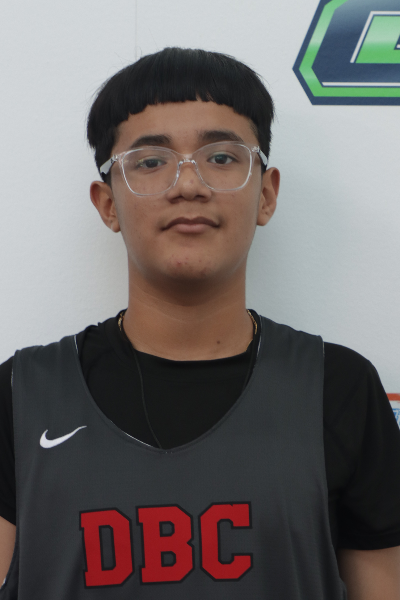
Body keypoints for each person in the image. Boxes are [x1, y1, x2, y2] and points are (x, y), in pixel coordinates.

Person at [0, 47, 399, 599]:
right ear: (107, 204)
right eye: (150, 162)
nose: (188, 184)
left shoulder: (339, 388)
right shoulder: (22, 395)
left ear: (266, 193)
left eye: (221, 157)